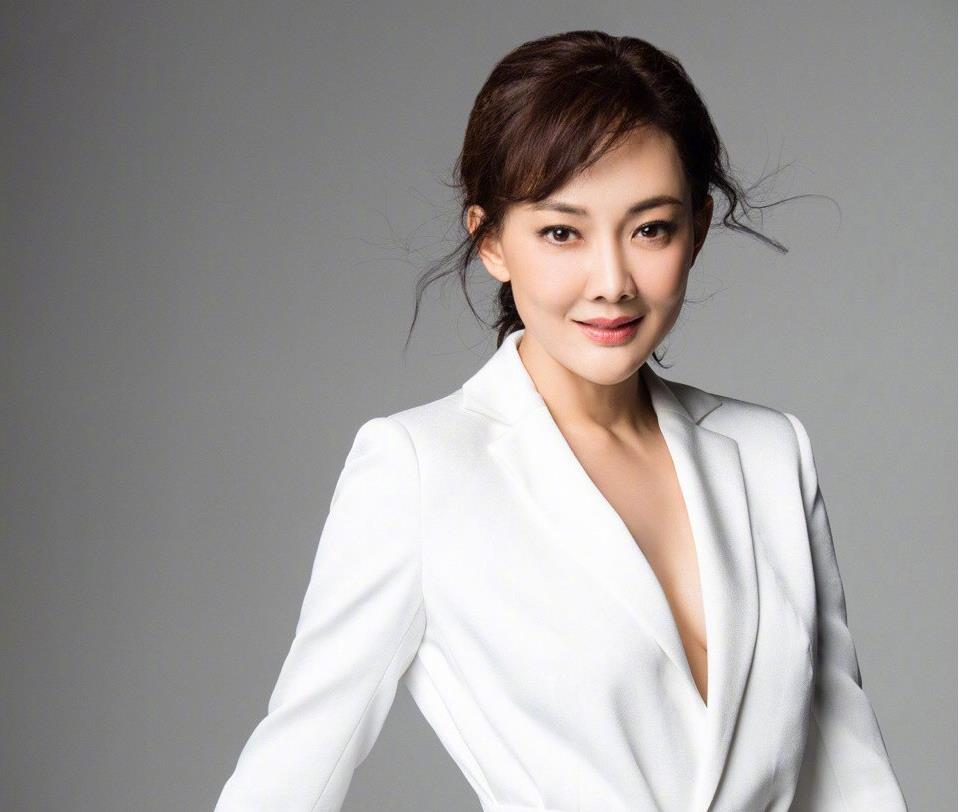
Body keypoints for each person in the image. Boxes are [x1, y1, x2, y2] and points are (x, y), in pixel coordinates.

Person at [214, 30, 907, 811]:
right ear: (490, 242)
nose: (610, 281)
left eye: (649, 228)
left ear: (697, 229)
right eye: (560, 233)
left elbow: (851, 781)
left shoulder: (768, 453)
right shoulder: (419, 470)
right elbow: (290, 774)